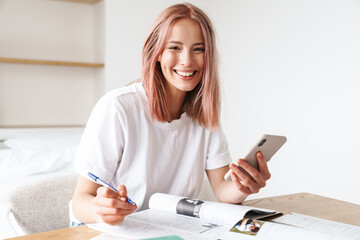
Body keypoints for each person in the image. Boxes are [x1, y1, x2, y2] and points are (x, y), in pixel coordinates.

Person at [71, 2, 271, 226]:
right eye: (175, 48)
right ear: (155, 53)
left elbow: (223, 191)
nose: (187, 60)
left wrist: (243, 185)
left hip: (164, 228)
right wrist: (102, 210)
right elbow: (80, 202)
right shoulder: (118, 107)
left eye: (199, 49)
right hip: (108, 229)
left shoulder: (204, 115)